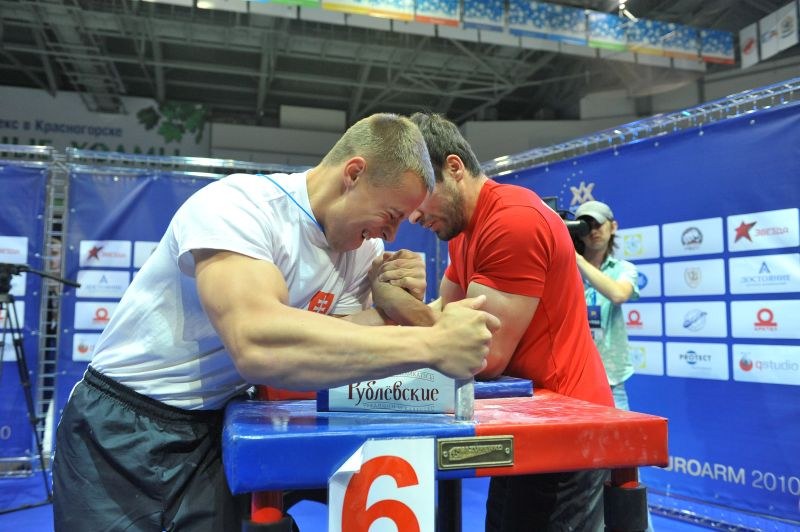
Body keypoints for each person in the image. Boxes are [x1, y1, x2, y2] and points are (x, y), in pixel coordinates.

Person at [52, 113, 499, 531]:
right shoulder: (240, 206)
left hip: (213, 427)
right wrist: (432, 344)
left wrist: (398, 313)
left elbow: (331, 344)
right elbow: (257, 344)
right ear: (353, 173)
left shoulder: (361, 253)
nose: (393, 235)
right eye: (391, 215)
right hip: (123, 424)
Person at [403, 112, 614, 531]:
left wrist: (409, 326)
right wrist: (395, 300)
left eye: (417, 200)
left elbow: (482, 354)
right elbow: (438, 318)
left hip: (568, 428)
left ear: (454, 169)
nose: (412, 218)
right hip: (527, 418)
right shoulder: (464, 232)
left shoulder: (511, 221)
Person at [575, 200, 654, 531]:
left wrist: (576, 260)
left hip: (610, 383)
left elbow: (618, 295)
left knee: (624, 470)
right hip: (573, 385)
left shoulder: (624, 268)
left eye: (598, 224)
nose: (592, 231)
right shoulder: (561, 268)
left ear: (613, 227)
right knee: (577, 473)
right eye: (584, 225)